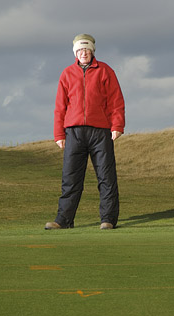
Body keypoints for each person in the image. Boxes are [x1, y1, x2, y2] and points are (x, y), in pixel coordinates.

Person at [45, 33, 125, 230]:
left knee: (106, 178)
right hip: (74, 132)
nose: (84, 53)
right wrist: (59, 134)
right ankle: (63, 220)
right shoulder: (67, 74)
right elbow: (60, 107)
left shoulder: (106, 71)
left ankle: (108, 219)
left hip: (100, 132)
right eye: (80, 50)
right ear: (75, 52)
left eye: (87, 49)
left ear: (92, 51)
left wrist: (117, 126)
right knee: (70, 179)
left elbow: (116, 101)